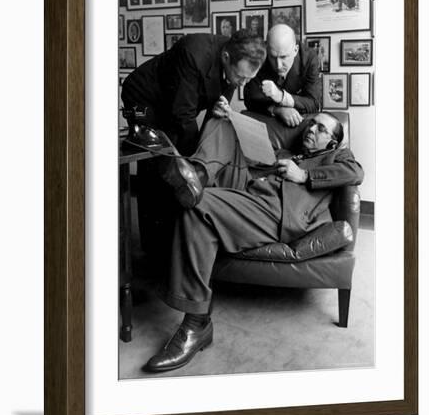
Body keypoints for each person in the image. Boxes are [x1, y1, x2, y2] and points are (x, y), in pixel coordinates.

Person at [143, 112, 364, 373]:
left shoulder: (336, 156)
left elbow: (355, 171)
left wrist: (304, 176)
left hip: (277, 213)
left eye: (321, 128)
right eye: (311, 123)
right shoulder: (287, 152)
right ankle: (199, 174)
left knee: (196, 205)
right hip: (248, 191)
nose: (311, 129)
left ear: (332, 143)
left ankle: (196, 322)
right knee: (222, 121)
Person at [122, 30, 267, 156]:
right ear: (226, 57)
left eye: (248, 79)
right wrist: (194, 157)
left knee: (176, 151)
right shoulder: (193, 53)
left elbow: (213, 116)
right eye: (240, 77)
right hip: (142, 95)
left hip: (171, 100)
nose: (242, 84)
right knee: (154, 151)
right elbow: (183, 114)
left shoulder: (237, 64)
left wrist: (203, 153)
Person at [244, 24, 321, 128]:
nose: (279, 65)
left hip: (299, 122)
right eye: (272, 57)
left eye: (283, 57)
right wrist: (277, 110)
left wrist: (281, 97)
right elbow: (250, 100)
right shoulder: (260, 54)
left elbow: (314, 104)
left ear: (295, 50)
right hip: (266, 122)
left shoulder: (309, 59)